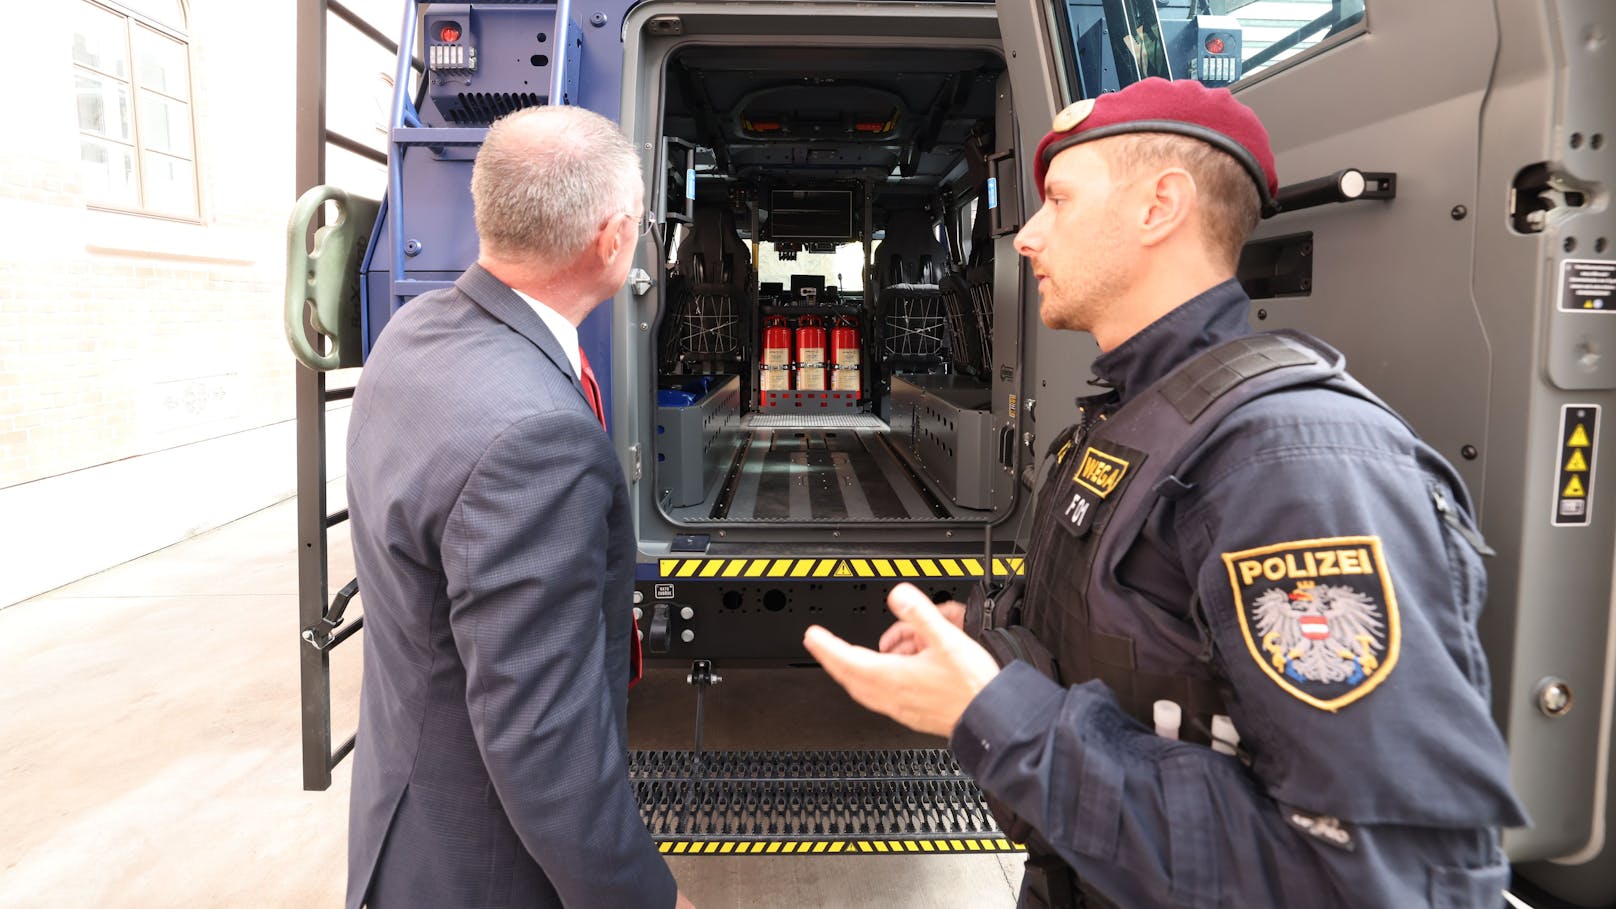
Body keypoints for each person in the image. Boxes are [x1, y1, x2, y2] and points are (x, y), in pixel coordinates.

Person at [804, 77, 1525, 908]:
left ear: (1159, 207)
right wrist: (996, 638)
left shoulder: (1290, 468)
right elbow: (1140, 654)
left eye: (1059, 202)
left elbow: (1375, 879)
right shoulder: (1135, 420)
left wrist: (996, 711)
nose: (1028, 237)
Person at [344, 106, 692, 909]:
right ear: (612, 239)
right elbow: (546, 742)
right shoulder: (535, 438)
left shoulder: (411, 336)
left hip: (408, 822)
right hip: (486, 870)